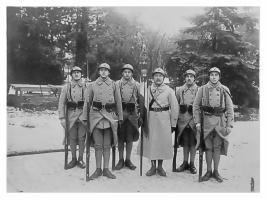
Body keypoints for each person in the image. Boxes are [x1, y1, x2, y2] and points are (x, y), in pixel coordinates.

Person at [82, 63, 123, 180]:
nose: (104, 72)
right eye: (102, 70)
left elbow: (118, 102)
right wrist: (85, 117)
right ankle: (98, 169)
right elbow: (87, 102)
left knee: (107, 145)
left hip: (110, 118)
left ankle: (106, 169)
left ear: (109, 72)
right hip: (96, 117)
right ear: (99, 72)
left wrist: (120, 117)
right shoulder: (92, 85)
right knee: (98, 145)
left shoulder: (114, 85)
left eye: (106, 70)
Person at [193, 67, 234, 182]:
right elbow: (196, 106)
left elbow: (230, 108)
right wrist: (197, 122)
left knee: (217, 147)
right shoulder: (202, 89)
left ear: (219, 77)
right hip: (206, 121)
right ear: (209, 76)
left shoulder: (224, 89)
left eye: (216, 75)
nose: (214, 77)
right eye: (212, 75)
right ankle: (208, 171)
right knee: (208, 147)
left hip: (220, 121)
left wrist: (230, 124)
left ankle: (216, 171)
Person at [141, 68, 179, 177]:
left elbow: (175, 107)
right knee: (152, 142)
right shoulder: (147, 89)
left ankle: (160, 166)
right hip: (151, 118)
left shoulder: (169, 90)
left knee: (162, 143)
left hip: (164, 118)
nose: (158, 78)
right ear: (153, 78)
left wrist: (173, 124)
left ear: (163, 78)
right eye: (156, 75)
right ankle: (152, 166)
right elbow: (143, 104)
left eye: (160, 76)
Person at [114, 64, 143, 170]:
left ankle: (128, 159)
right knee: (121, 138)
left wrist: (141, 115)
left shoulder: (137, 85)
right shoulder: (117, 84)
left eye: (129, 72)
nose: (127, 74)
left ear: (132, 73)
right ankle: (120, 160)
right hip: (120, 115)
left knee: (129, 139)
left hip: (132, 115)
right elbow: (113, 100)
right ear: (122, 73)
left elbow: (141, 101)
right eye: (125, 72)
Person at [58, 66, 86, 169]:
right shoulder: (67, 87)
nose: (76, 74)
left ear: (81, 74)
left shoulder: (86, 86)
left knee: (82, 139)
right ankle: (73, 159)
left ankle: (81, 159)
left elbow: (89, 102)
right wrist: (62, 117)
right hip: (71, 116)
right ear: (72, 75)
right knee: (72, 138)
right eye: (74, 72)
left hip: (82, 117)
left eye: (78, 72)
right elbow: (61, 103)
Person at [175, 69, 198, 174]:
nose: (189, 78)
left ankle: (192, 164)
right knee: (185, 143)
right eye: (187, 76)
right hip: (183, 120)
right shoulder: (179, 90)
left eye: (191, 76)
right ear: (185, 78)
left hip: (193, 121)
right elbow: (176, 105)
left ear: (194, 78)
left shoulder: (198, 90)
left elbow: (200, 106)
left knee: (193, 143)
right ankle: (184, 162)